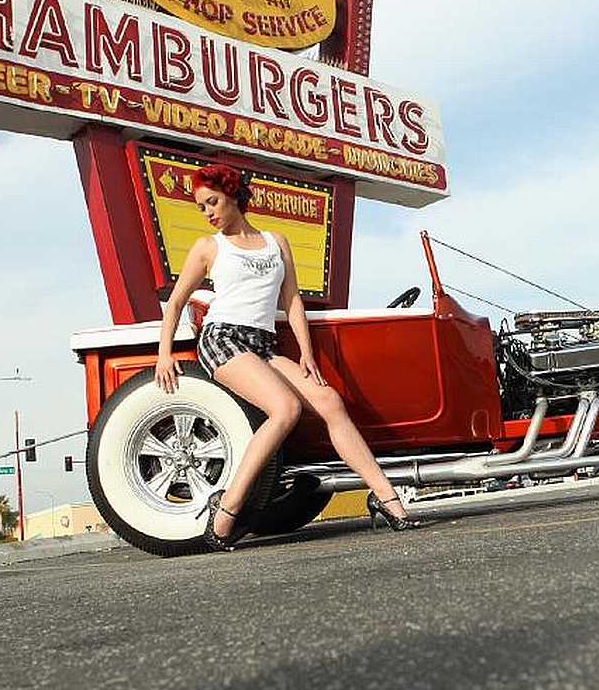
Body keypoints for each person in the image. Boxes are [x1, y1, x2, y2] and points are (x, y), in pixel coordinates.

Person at [154, 163, 426, 550]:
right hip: (223, 339)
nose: (208, 212)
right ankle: (226, 511)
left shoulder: (275, 241)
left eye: (212, 202)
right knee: (285, 409)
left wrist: (307, 354)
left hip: (264, 345)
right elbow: (176, 301)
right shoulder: (209, 247)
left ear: (233, 195)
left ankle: (390, 502)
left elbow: (292, 300)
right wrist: (164, 354)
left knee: (329, 401)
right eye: (202, 208)